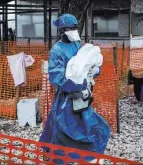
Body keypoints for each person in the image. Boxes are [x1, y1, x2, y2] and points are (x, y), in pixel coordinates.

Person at [39, 14, 111, 160]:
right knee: (63, 130)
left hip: (82, 98)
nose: (74, 30)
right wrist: (77, 85)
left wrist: (96, 70)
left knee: (91, 127)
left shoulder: (76, 45)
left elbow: (86, 64)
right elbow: (57, 78)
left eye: (75, 27)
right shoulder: (56, 51)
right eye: (70, 28)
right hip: (66, 99)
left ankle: (81, 157)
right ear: (62, 30)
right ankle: (58, 159)